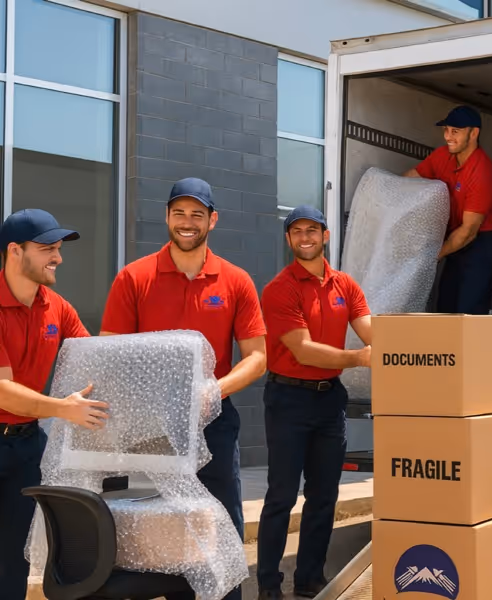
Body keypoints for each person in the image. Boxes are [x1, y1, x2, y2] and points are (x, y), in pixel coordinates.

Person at [100, 178, 267, 600]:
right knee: (161, 527)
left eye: (197, 214)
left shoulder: (235, 280)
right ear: (167, 217)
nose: (187, 223)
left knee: (219, 522)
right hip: (151, 430)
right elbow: (109, 353)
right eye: (179, 213)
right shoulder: (134, 278)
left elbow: (258, 357)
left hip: (214, 422)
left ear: (213, 219)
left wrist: (215, 389)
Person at [257, 206, 371, 600]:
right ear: (288, 239)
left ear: (325, 236)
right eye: (297, 231)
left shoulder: (345, 286)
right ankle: (269, 584)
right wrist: (358, 358)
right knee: (282, 496)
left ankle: (309, 579)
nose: (305, 238)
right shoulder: (279, 288)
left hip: (329, 401)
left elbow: (370, 329)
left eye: (313, 230)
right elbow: (303, 351)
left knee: (324, 495)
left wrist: (416, 339)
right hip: (288, 398)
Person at [0, 209, 109, 600]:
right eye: (48, 248)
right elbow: (2, 389)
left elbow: (94, 362)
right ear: (15, 251)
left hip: (27, 445)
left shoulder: (57, 308)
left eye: (59, 249)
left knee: (14, 553)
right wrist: (64, 408)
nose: (58, 258)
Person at [404, 105, 492, 315]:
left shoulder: (482, 172)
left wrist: (432, 256)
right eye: (446, 130)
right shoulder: (443, 156)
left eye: (455, 132)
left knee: (468, 312)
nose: (448, 137)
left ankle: (471, 349)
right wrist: (392, 199)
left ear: (474, 133)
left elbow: (469, 231)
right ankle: (448, 349)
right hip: (456, 239)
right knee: (446, 307)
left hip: (481, 245)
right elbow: (411, 178)